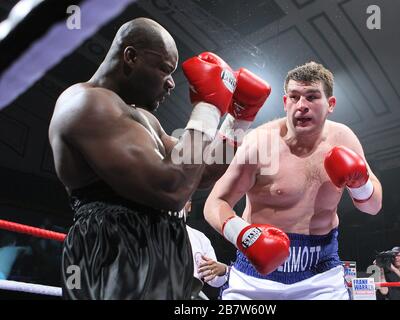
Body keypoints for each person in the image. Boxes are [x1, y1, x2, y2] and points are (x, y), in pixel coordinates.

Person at [48, 17, 270, 299]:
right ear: (131, 57)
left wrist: (239, 119)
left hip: (164, 258)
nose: (171, 84)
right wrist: (208, 107)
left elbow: (198, 170)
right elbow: (171, 188)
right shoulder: (86, 103)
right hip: (115, 257)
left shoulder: (145, 120)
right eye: (165, 69)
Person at [204, 61, 383, 300]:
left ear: (330, 104)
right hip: (256, 277)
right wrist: (244, 235)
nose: (302, 106)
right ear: (285, 102)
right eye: (295, 97)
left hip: (320, 275)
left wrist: (361, 185)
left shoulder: (344, 138)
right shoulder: (260, 143)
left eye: (312, 97)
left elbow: (373, 207)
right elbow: (215, 202)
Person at [183, 200, 229, 300]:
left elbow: (214, 280)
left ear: (190, 206)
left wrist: (222, 270)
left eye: (185, 199)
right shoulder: (151, 232)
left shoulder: (199, 237)